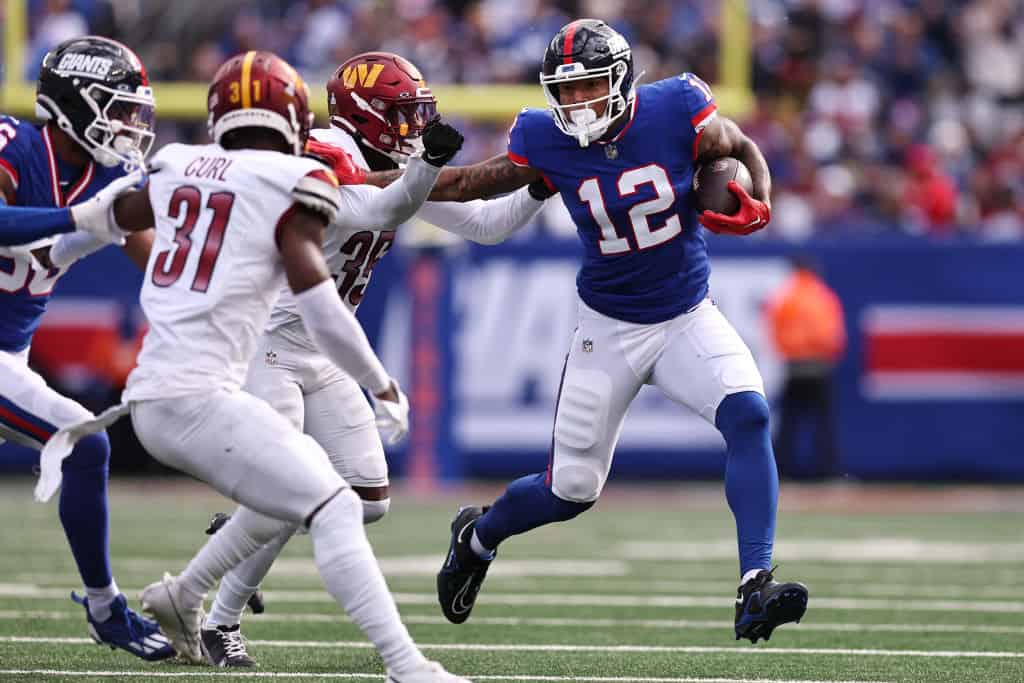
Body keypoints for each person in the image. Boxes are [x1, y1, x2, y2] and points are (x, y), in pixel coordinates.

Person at [365, 18, 809, 644]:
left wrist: (759, 200)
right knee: (571, 489)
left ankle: (753, 584)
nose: (576, 104)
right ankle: (479, 536)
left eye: (589, 88)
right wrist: (358, 181)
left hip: (686, 315)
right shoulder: (545, 139)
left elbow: (739, 145)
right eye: (565, 92)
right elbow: (470, 186)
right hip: (608, 328)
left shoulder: (676, 105)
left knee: (750, 415)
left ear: (624, 81)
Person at [37, 50, 472, 682]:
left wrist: (37, 237)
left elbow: (101, 221)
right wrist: (380, 380)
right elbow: (328, 291)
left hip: (159, 391)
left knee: (347, 494)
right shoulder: (293, 178)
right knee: (330, 503)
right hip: (206, 394)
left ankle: (184, 595)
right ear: (295, 119)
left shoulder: (175, 164)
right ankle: (408, 668)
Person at [189, 50, 551, 668]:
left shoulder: (397, 165)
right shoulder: (324, 151)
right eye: (403, 117)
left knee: (369, 497)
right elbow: (382, 206)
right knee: (290, 484)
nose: (414, 129)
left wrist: (543, 184)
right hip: (265, 341)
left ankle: (249, 524)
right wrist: (445, 168)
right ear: (366, 115)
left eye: (418, 117)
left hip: (323, 351)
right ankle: (217, 621)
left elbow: (488, 226)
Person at [0, 35, 174, 661]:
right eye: (119, 108)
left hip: (7, 359)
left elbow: (158, 265)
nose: (131, 126)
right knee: (83, 438)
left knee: (83, 443)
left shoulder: (114, 176)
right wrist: (74, 221)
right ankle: (104, 608)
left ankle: (104, 608)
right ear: (76, 101)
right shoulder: (15, 145)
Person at [767, 256, 846, 480]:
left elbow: (775, 331)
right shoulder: (823, 296)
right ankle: (830, 472)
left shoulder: (786, 297)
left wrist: (790, 352)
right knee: (824, 425)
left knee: (788, 425)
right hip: (819, 367)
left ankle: (780, 472)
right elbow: (834, 334)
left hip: (794, 368)